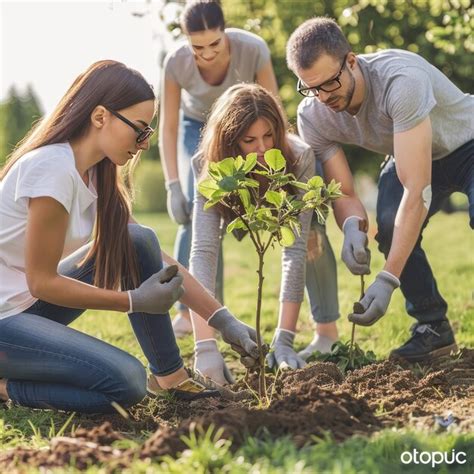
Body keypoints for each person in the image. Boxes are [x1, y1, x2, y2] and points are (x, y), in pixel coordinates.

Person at [0, 60, 260, 413]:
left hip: (27, 309)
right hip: (7, 321)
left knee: (139, 240)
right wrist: (133, 301)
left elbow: (152, 256)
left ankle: (171, 377)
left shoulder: (95, 174)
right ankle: (5, 389)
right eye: (139, 130)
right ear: (100, 117)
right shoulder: (52, 169)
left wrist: (222, 319)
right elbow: (42, 282)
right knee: (127, 382)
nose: (144, 144)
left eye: (148, 132)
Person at [286, 17, 474, 362]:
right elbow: (344, 191)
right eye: (310, 87)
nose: (322, 96)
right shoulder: (312, 115)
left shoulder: (400, 80)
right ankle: (433, 329)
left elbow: (417, 190)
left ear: (352, 61)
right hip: (412, 151)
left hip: (466, 143)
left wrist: (387, 279)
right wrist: (351, 228)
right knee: (388, 226)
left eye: (329, 83)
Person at [189, 83, 340, 385]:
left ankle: (326, 332)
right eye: (249, 140)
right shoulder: (207, 165)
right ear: (230, 142)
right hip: (239, 199)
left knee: (313, 238)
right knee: (200, 249)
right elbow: (203, 251)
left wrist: (284, 338)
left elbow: (294, 250)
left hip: (283, 202)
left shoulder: (300, 157)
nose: (262, 148)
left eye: (269, 135)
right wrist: (204, 347)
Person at [159, 0, 280, 338]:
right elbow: (168, 126)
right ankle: (191, 310)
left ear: (225, 32)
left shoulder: (253, 49)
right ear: (186, 40)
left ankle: (208, 306)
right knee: (195, 210)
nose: (208, 54)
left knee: (222, 208)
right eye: (198, 47)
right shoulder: (176, 63)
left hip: (241, 128)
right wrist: (172, 185)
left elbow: (272, 110)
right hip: (194, 127)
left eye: (215, 43)